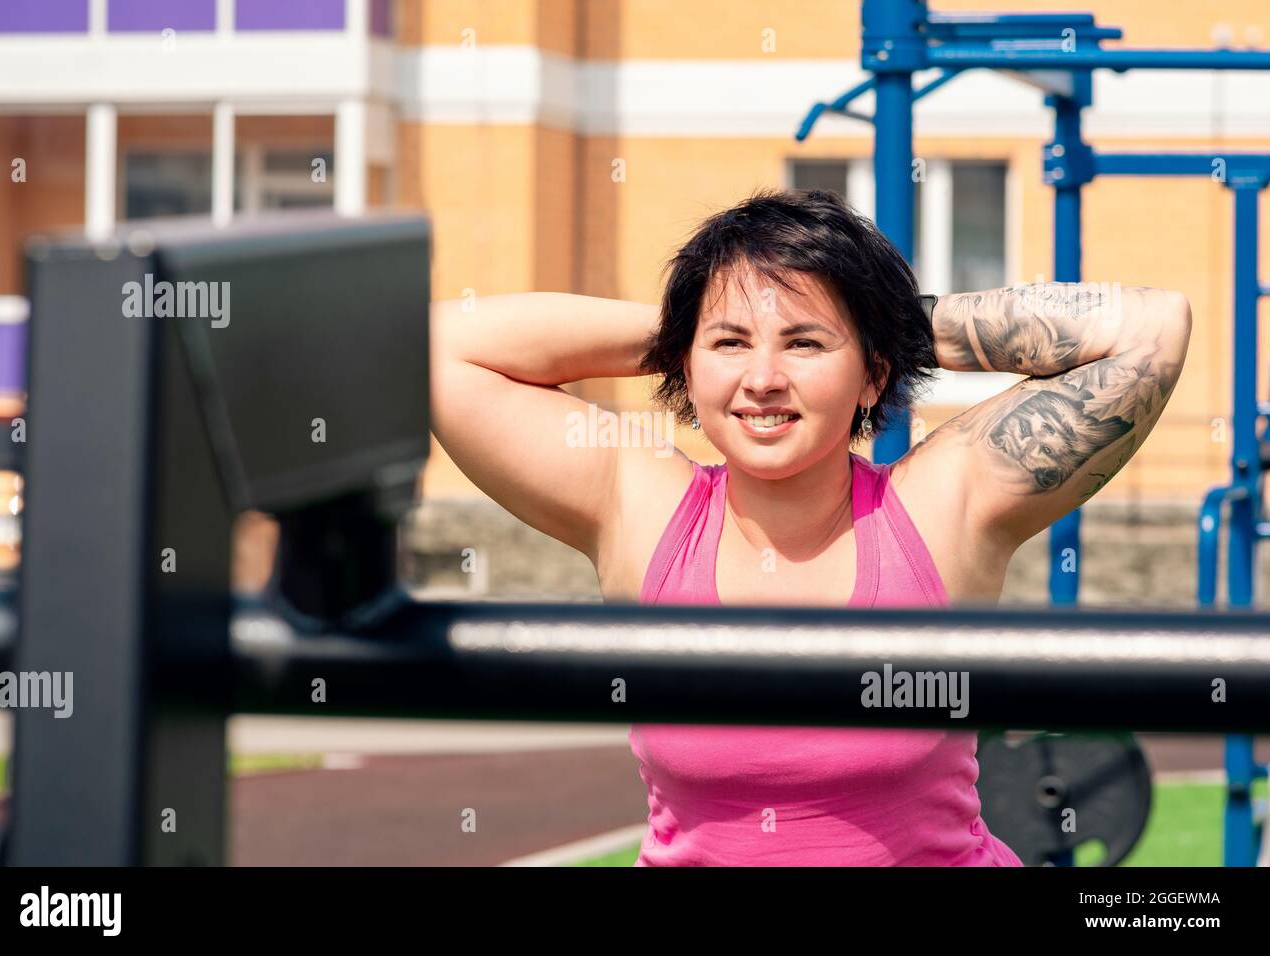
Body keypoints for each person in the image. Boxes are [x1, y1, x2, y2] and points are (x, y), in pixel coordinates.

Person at [429, 187, 1192, 866]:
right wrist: (692, 329)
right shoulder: (640, 506)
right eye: (730, 344)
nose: (762, 379)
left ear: (872, 376)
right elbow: (441, 348)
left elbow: (1151, 328)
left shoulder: (938, 509)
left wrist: (884, 325)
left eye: (804, 343)